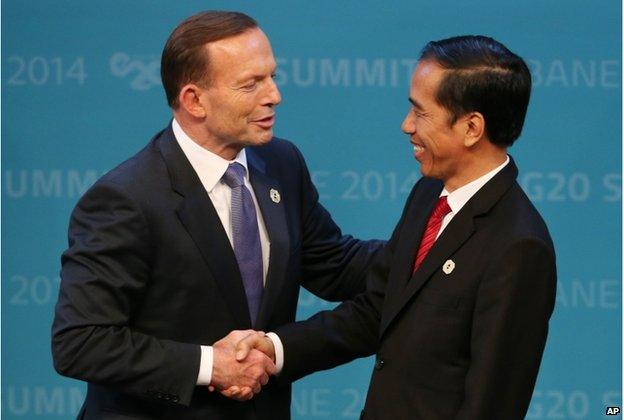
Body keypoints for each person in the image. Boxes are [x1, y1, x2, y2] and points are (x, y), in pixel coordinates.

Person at [51, 11, 382, 420]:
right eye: (251, 84)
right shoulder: (127, 199)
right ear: (194, 100)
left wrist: (431, 247)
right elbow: (82, 341)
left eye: (272, 76)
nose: (274, 95)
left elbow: (334, 263)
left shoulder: (281, 162)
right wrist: (209, 365)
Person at [235, 35, 557, 419]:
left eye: (421, 113)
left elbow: (492, 402)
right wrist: (275, 348)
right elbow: (377, 310)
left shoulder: (518, 245)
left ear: (472, 128)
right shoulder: (428, 194)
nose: (407, 126)